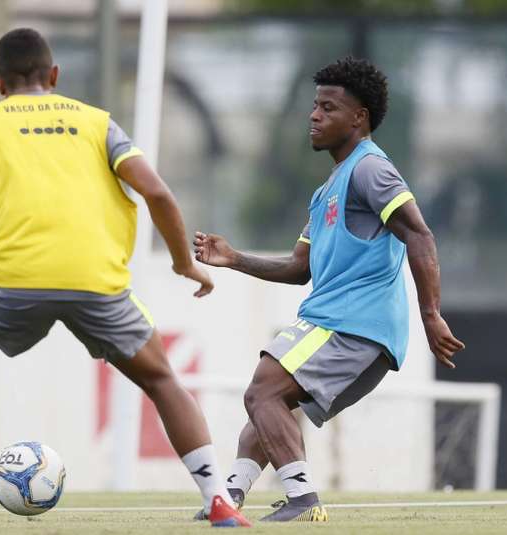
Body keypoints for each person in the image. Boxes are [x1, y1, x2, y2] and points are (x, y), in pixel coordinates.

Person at [0, 28, 250, 529]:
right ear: (55, 76)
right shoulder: (97, 124)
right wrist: (182, 264)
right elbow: (158, 194)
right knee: (161, 379)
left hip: (10, 284)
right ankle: (219, 500)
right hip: (96, 283)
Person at [192, 57, 465, 523]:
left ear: (358, 118)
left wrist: (431, 314)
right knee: (269, 405)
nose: (314, 115)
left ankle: (303, 500)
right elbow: (300, 268)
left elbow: (419, 234)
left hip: (353, 322)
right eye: (314, 106)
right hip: (341, 322)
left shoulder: (370, 170)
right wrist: (234, 259)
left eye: (328, 107)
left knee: (263, 391)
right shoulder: (327, 190)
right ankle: (231, 495)